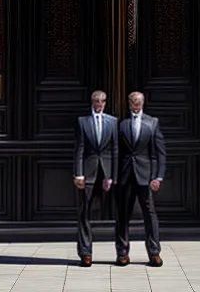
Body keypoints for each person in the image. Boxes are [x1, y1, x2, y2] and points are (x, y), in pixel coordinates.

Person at [114, 90, 167, 267]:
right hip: (125, 175)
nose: (135, 105)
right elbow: (117, 152)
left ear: (143, 103)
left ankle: (154, 252)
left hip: (146, 176)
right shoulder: (121, 124)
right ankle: (122, 253)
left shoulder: (152, 123)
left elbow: (160, 152)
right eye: (132, 102)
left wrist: (158, 177)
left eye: (138, 102)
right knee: (123, 215)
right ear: (129, 103)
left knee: (150, 215)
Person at [72, 89, 118, 267]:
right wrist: (78, 173)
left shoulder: (112, 122)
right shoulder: (82, 121)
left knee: (120, 212)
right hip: (88, 172)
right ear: (92, 102)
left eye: (102, 100)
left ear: (105, 103)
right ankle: (85, 253)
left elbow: (115, 150)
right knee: (84, 213)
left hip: (107, 174)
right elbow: (79, 149)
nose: (99, 103)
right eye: (97, 100)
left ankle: (122, 253)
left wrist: (112, 175)